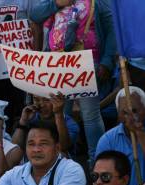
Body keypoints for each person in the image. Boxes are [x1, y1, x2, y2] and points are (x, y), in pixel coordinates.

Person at [42, 0, 116, 164]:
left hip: (87, 63)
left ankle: (96, 163)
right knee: (61, 114)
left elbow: (111, 29)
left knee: (90, 115)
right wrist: (57, 3)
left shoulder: (98, 2)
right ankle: (62, 161)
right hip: (58, 65)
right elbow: (36, 14)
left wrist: (107, 61)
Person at [13, 93, 80, 156]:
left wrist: (58, 114)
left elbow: (63, 147)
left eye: (47, 100)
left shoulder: (70, 124)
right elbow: (14, 148)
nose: (42, 105)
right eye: (36, 99)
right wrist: (23, 121)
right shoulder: (30, 117)